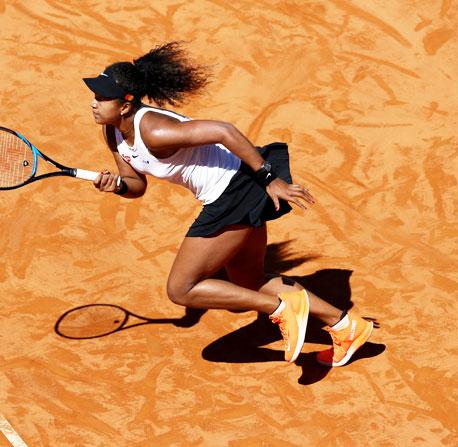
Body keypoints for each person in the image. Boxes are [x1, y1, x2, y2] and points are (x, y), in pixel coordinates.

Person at [82, 42, 373, 367]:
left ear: (125, 106)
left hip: (234, 191)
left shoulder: (155, 130)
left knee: (181, 289)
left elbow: (223, 131)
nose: (94, 104)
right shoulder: (113, 134)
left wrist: (270, 178)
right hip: (238, 190)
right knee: (249, 278)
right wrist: (116, 186)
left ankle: (281, 308)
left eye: (102, 98)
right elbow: (136, 184)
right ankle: (346, 326)